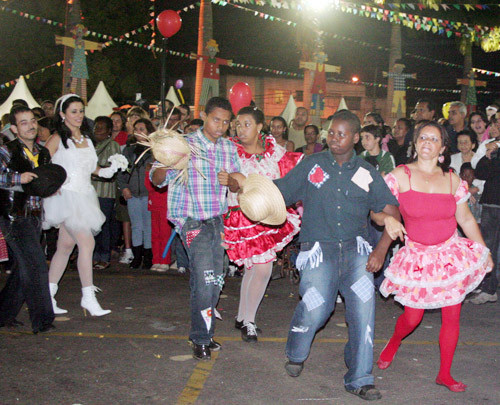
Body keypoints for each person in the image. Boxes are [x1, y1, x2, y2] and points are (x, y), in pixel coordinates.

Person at [274, 109, 400, 401]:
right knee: (317, 308)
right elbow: (281, 192)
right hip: (319, 251)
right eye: (331, 132)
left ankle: (360, 377)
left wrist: (381, 250)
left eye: (341, 134)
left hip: (358, 253)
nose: (333, 138)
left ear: (356, 138)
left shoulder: (367, 173)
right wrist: (249, 187)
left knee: (364, 312)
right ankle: (296, 350)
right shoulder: (312, 165)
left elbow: (391, 213)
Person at [377, 121, 492, 392]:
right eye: (423, 138)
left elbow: (465, 219)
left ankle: (445, 374)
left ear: (442, 147)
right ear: (415, 144)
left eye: (434, 139)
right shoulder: (400, 175)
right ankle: (394, 342)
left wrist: (484, 251)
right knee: (413, 318)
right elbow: (374, 210)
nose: (427, 142)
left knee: (452, 316)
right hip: (418, 258)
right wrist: (386, 220)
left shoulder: (453, 180)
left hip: (450, 256)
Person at [150, 96, 240, 361]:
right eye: (216, 120)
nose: (221, 126)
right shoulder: (184, 144)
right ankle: (201, 338)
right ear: (204, 116)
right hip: (191, 221)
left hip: (218, 221)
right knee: (204, 280)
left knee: (215, 281)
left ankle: (205, 333)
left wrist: (232, 182)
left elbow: (237, 184)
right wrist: (167, 164)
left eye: (225, 122)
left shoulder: (228, 148)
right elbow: (157, 180)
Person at [224, 106, 301, 342]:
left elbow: (288, 177)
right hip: (243, 217)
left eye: (247, 124)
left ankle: (242, 317)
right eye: (238, 124)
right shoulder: (230, 150)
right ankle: (248, 320)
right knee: (259, 268)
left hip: (268, 215)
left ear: (259, 127)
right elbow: (229, 183)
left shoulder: (274, 150)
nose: (240, 128)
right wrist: (234, 184)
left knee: (257, 268)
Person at [44, 94, 117, 317]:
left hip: (85, 196)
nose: (78, 115)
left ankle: (47, 296)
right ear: (62, 114)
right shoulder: (57, 138)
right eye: (73, 111)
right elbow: (42, 165)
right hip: (66, 197)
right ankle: (88, 296)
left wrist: (107, 170)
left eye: (81, 111)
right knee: (87, 244)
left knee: (65, 247)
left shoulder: (86, 138)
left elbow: (90, 168)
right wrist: (51, 185)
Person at [0, 105, 55, 334]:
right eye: (24, 122)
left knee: (25, 267)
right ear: (14, 128)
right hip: (13, 216)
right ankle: (42, 321)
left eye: (33, 120)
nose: (31, 125)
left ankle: (3, 314)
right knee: (36, 265)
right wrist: (17, 177)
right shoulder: (6, 150)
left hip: (34, 216)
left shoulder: (43, 152)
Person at [467, 117, 500, 305]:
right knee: (488, 246)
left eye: (497, 124)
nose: (493, 128)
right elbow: (479, 171)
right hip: (491, 202)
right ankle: (487, 287)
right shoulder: (489, 146)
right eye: (492, 125)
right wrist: (490, 154)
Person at [118, 118, 155, 270]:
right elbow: (121, 171)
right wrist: (124, 187)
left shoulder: (154, 150)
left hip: (148, 193)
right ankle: (136, 255)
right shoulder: (128, 150)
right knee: (135, 225)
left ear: (149, 131)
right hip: (132, 193)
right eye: (136, 129)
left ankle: (148, 256)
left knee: (148, 225)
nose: (139, 132)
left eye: (142, 129)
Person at [91, 116, 121, 270]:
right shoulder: (89, 145)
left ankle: (104, 256)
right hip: (89, 192)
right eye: (96, 127)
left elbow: (113, 168)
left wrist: (94, 172)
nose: (97, 130)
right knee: (90, 225)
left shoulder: (113, 146)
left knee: (103, 225)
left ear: (109, 131)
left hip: (105, 192)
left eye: (101, 128)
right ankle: (92, 255)